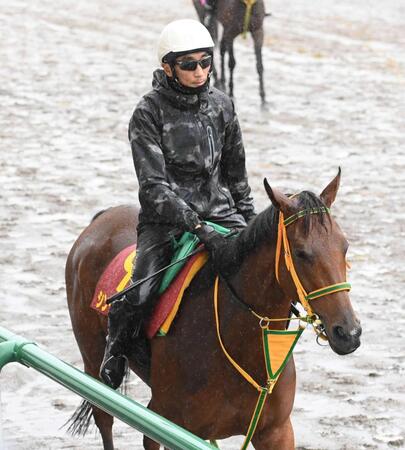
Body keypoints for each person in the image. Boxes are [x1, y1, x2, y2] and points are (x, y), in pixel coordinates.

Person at [100, 18, 255, 389]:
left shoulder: (223, 106)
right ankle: (116, 351)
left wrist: (250, 225)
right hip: (165, 224)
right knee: (140, 292)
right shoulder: (147, 113)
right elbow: (154, 187)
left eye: (206, 63)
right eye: (189, 65)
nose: (200, 72)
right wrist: (198, 227)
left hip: (222, 216)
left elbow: (237, 178)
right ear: (167, 67)